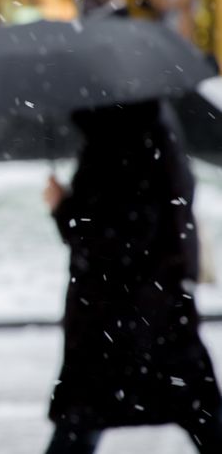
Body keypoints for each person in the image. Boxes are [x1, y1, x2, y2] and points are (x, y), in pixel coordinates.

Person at [42, 100, 222, 454]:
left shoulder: (116, 140)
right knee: (196, 410)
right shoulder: (151, 126)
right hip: (153, 306)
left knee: (83, 417)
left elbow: (107, 235)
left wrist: (62, 206)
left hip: (119, 312)